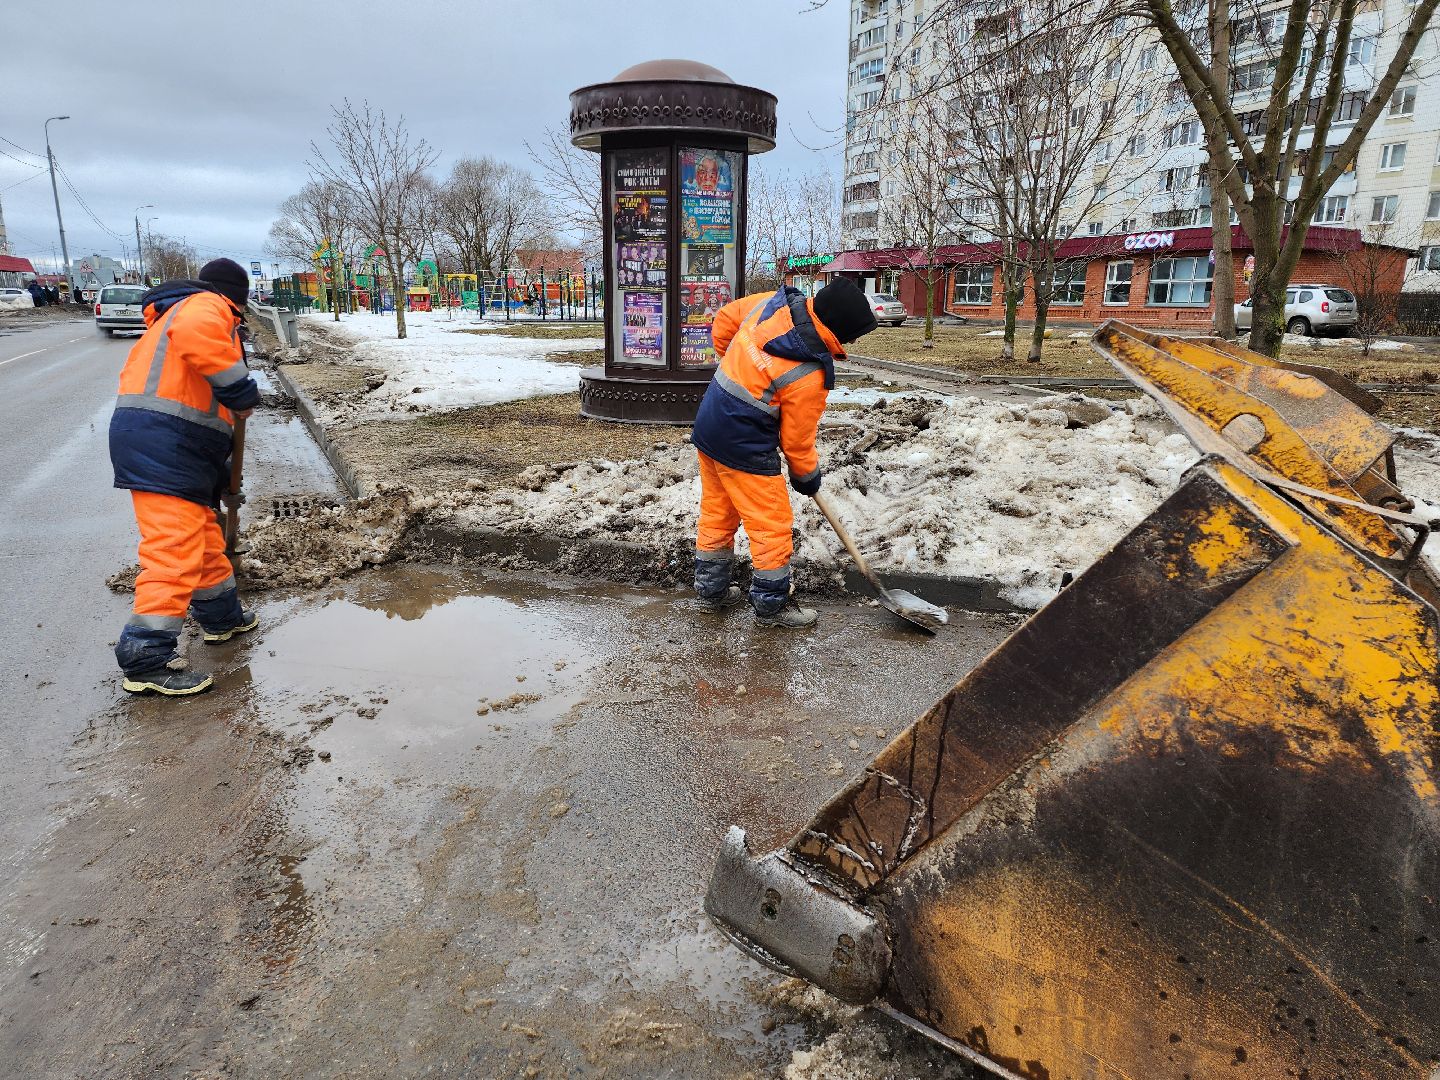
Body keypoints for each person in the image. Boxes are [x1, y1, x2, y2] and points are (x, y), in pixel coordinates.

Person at [109, 258, 261, 695]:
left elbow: (196, 398)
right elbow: (199, 338)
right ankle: (146, 659)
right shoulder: (203, 305)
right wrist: (240, 389)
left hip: (181, 444)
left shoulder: (180, 310)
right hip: (165, 443)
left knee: (204, 536)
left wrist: (220, 467)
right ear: (235, 297)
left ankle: (221, 618)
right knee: (174, 551)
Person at [690, 277, 878, 628]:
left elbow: (725, 320)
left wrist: (737, 366)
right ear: (842, 330)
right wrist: (807, 476)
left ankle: (710, 591)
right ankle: (771, 606)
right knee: (771, 524)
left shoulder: (771, 304)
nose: (853, 342)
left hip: (710, 421)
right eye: (854, 335)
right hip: (745, 442)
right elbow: (796, 442)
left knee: (718, 510)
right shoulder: (809, 372)